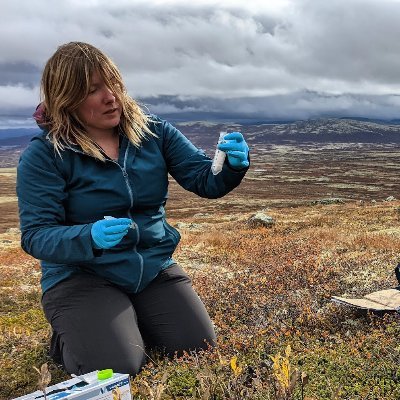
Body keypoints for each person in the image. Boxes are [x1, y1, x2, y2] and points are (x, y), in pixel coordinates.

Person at [16, 42, 250, 376]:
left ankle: (124, 320)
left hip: (151, 266)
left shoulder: (153, 132)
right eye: (93, 90)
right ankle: (72, 334)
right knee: (116, 366)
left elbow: (204, 180)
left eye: (113, 84)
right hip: (82, 275)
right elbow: (36, 236)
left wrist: (230, 167)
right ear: (66, 99)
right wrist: (89, 237)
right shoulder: (46, 154)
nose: (110, 97)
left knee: (197, 348)